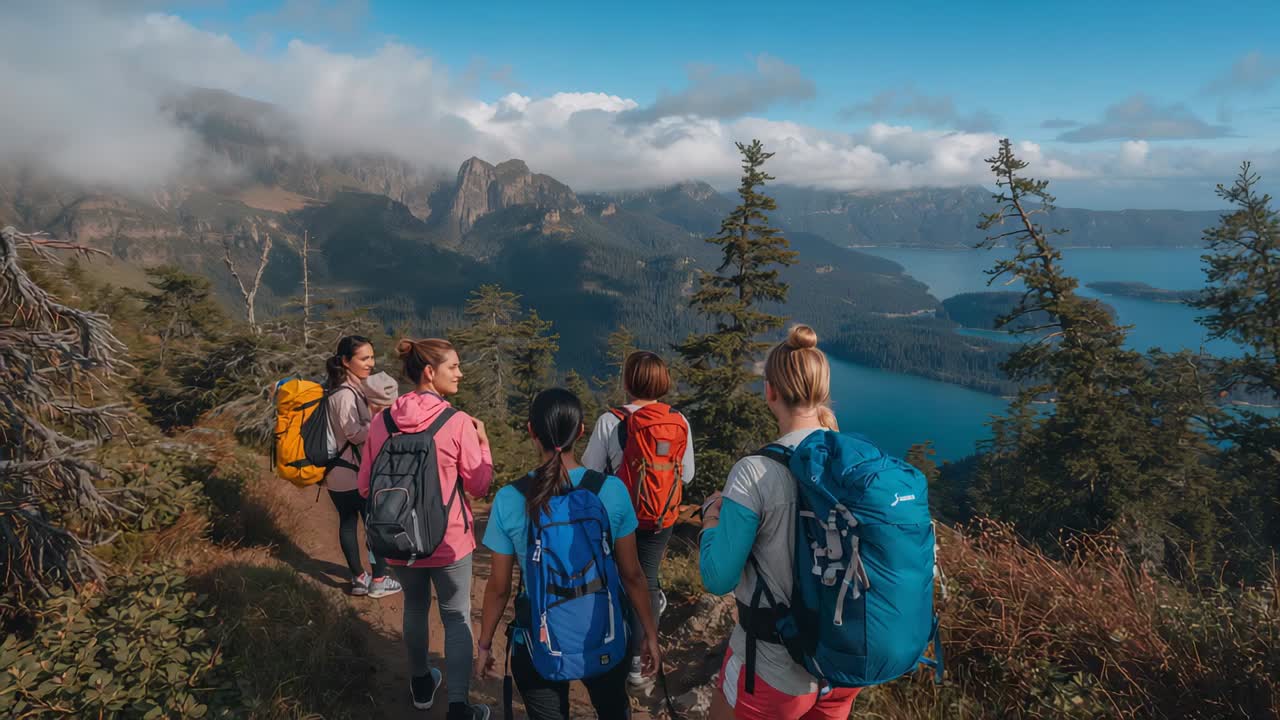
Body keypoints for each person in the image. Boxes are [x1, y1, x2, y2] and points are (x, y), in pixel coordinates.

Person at [698, 325, 861, 719]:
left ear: (770, 391)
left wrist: (710, 520)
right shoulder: (854, 463)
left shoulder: (755, 472)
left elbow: (717, 577)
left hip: (775, 666)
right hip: (844, 663)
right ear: (821, 390)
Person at [475, 388, 662, 720]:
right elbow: (633, 575)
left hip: (537, 637)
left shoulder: (509, 498)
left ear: (532, 431)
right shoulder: (611, 491)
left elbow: (499, 586)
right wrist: (649, 634)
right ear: (581, 431)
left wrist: (485, 644)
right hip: (603, 627)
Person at [358, 339, 493, 718]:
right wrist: (483, 446)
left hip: (398, 537)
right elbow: (480, 485)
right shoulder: (457, 422)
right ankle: (458, 707)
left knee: (415, 609)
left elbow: (366, 487)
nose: (460, 373)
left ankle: (421, 683)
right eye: (454, 366)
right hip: (449, 541)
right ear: (430, 372)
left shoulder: (381, 422)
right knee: (455, 616)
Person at [581, 350, 694, 687]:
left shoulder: (610, 420)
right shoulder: (679, 421)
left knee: (617, 578)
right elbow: (686, 475)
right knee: (649, 579)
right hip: (661, 517)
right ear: (663, 383)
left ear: (627, 382)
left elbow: (589, 472)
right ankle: (639, 662)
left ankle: (607, 649)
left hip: (618, 517)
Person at [324, 335, 401, 599]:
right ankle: (378, 579)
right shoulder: (346, 394)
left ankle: (358, 579)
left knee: (347, 523)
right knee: (373, 524)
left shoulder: (339, 389)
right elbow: (355, 434)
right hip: (353, 472)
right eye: (364, 358)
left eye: (371, 357)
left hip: (337, 473)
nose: (371, 363)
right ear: (346, 361)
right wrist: (378, 420)